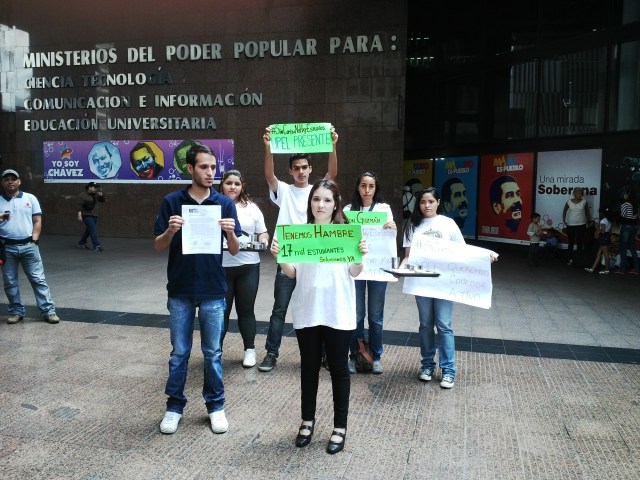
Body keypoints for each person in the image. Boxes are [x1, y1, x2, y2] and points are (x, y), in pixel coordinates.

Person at [270, 179, 368, 454]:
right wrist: (280, 257)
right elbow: (294, 273)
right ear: (309, 203)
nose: (320, 204)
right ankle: (307, 421)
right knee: (309, 368)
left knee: (338, 370)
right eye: (316, 199)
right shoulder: (300, 234)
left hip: (338, 310)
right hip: (308, 309)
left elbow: (355, 272)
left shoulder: (346, 234)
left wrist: (359, 257)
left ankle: (340, 427)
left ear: (335, 204)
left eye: (326, 200)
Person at [153, 144, 241, 435]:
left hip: (213, 288)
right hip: (180, 288)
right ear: (190, 169)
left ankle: (216, 406)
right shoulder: (172, 201)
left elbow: (235, 248)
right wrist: (170, 231)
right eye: (204, 167)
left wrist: (229, 231)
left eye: (214, 168)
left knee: (213, 352)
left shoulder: (224, 203)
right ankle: (174, 406)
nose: (210, 173)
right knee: (179, 353)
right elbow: (157, 245)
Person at [258, 125, 338, 372]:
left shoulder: (318, 192)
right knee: (279, 309)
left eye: (305, 167)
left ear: (310, 169)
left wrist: (333, 145)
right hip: (288, 257)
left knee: (319, 306)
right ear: (290, 171)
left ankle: (323, 355)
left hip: (313, 258)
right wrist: (268, 147)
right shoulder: (283, 190)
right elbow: (269, 175)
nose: (301, 171)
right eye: (297, 168)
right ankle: (271, 353)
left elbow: (332, 173)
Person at [402, 187, 465, 389]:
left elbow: (462, 251)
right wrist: (400, 270)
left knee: (444, 325)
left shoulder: (448, 224)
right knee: (426, 325)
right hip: (422, 284)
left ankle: (448, 371)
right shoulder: (412, 225)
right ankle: (427, 365)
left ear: (438, 202)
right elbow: (408, 256)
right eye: (422, 202)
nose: (426, 205)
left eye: (430, 201)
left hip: (444, 284)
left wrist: (485, 257)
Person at [344, 171, 396, 374]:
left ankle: (375, 357)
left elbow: (390, 235)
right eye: (363, 185)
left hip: (377, 269)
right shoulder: (349, 210)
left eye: (371, 186)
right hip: (356, 269)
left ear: (376, 188)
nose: (367, 190)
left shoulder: (384, 209)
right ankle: (355, 356)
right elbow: (344, 237)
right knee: (355, 316)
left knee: (375, 316)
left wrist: (392, 227)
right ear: (358, 187)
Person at [219, 169, 269, 368]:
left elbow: (262, 233)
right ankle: (215, 351)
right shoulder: (213, 204)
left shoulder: (252, 208)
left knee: (246, 310)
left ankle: (250, 350)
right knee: (220, 312)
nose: (233, 187)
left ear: (242, 186)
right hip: (221, 266)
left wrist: (263, 241)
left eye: (237, 184)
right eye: (229, 183)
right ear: (222, 184)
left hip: (248, 265)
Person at [0, 169, 59, 325]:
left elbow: (37, 220)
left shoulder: (30, 198)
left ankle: (48, 311)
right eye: (7, 179)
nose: (10, 181)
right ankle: (16, 312)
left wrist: (34, 239)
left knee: (38, 279)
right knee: (10, 282)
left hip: (29, 246)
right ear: (2, 183)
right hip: (7, 248)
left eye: (13, 179)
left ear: (19, 181)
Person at [562, 187, 591, 266]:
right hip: (571, 224)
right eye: (578, 193)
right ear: (574, 193)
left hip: (581, 224)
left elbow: (587, 211)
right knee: (571, 242)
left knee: (580, 243)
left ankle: (579, 260)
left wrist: (589, 220)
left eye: (581, 193)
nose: (580, 195)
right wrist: (564, 220)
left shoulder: (584, 201)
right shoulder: (568, 202)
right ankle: (570, 259)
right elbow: (564, 210)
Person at [615, 186, 639, 274]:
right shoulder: (635, 205)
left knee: (623, 248)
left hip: (626, 227)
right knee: (633, 249)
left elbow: (623, 216)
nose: (624, 195)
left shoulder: (625, 204)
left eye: (625, 193)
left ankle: (622, 269)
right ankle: (636, 269)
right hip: (634, 227)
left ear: (628, 195)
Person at [76, 181, 105, 251]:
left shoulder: (96, 194)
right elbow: (79, 205)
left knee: (89, 230)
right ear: (89, 187)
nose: (96, 189)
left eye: (96, 188)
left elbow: (103, 201)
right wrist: (79, 215)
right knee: (93, 230)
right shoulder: (82, 195)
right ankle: (96, 246)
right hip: (86, 215)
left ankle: (81, 243)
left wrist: (101, 196)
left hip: (95, 215)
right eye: (94, 187)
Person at [585, 207, 613, 274]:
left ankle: (607, 270)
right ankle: (592, 269)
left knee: (605, 254)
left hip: (603, 237)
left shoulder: (603, 221)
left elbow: (602, 231)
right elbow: (610, 232)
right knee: (599, 254)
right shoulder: (609, 220)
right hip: (606, 237)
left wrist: (596, 227)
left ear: (602, 213)